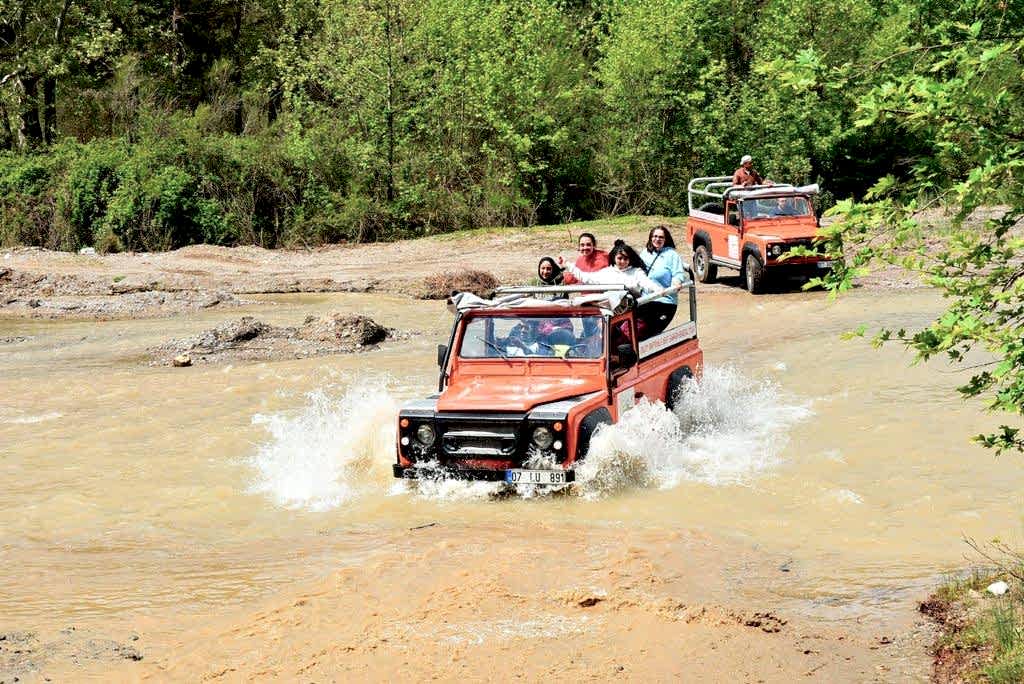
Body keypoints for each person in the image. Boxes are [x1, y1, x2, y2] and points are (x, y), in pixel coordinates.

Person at [562, 240, 663, 339]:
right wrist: (567, 264)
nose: (622, 261)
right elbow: (585, 277)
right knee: (593, 309)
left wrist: (658, 289)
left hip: (629, 310)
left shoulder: (636, 272)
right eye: (620, 258)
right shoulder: (607, 272)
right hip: (611, 310)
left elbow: (647, 283)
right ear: (614, 257)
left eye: (626, 258)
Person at [640, 225, 688, 337]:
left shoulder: (671, 255)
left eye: (661, 237)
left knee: (648, 331)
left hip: (664, 301)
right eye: (655, 236)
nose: (657, 239)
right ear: (650, 238)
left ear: (666, 239)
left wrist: (677, 282)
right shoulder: (645, 253)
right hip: (645, 299)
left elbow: (678, 273)